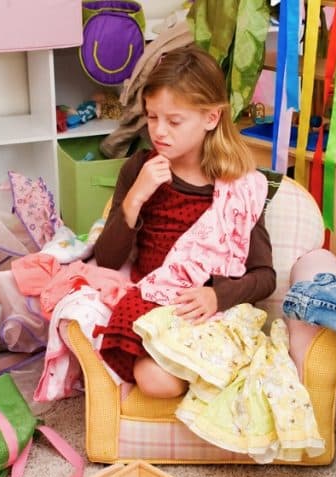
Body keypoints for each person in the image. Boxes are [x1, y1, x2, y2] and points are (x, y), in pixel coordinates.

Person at [93, 45, 275, 398]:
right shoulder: (139, 169)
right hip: (153, 303)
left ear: (210, 118)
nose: (160, 131)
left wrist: (216, 296)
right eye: (152, 117)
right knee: (156, 381)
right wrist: (136, 197)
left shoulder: (239, 187)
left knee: (178, 377)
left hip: (207, 312)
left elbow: (265, 276)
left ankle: (206, 374)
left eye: (174, 121)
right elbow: (108, 259)